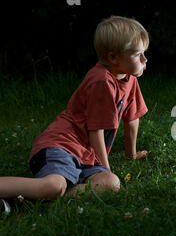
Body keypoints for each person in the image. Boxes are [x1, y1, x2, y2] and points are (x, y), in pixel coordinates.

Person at [0, 16, 150, 215]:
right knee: (54, 186)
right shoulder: (101, 81)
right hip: (61, 146)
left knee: (111, 184)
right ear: (114, 58)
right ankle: (37, 196)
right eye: (138, 54)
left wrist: (131, 155)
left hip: (87, 155)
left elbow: (132, 118)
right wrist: (106, 167)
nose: (144, 60)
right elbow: (95, 130)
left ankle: (25, 201)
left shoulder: (129, 79)